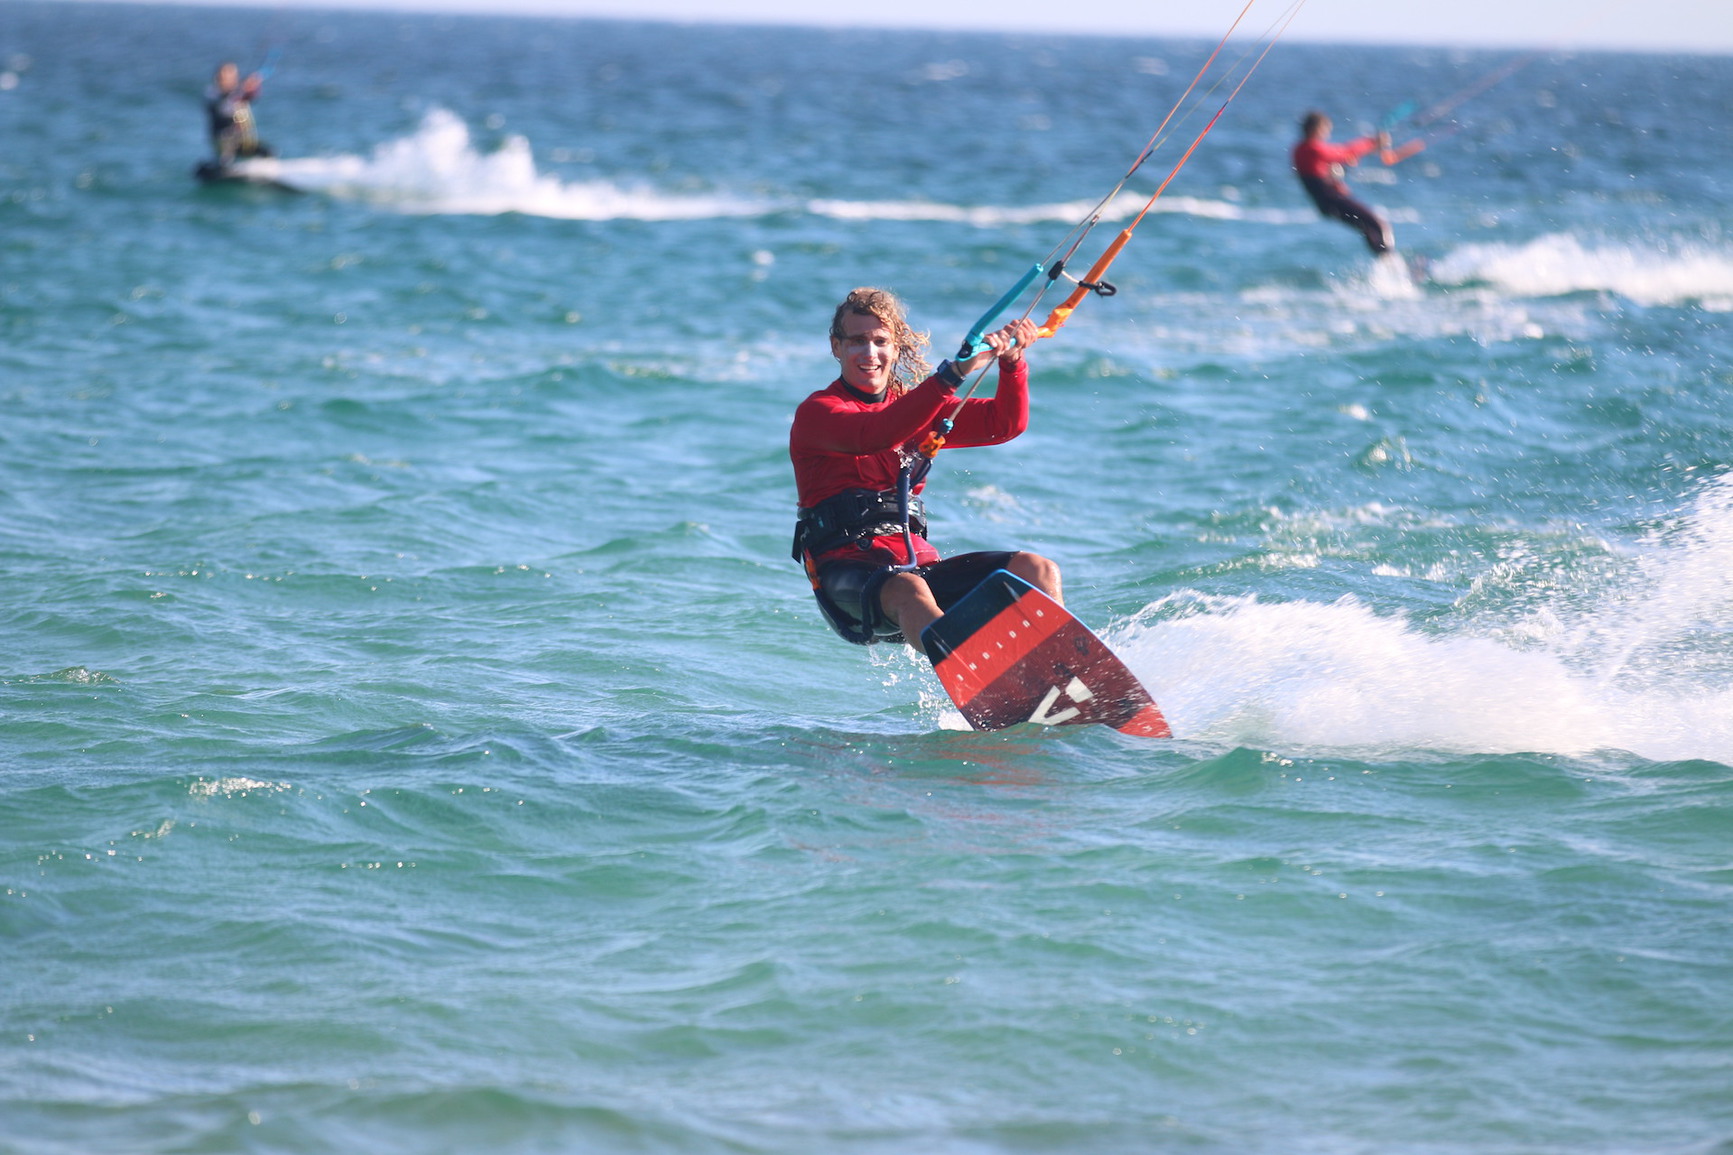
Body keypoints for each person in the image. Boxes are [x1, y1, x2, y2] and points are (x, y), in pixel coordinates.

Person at [789, 287, 1061, 657]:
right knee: (908, 590)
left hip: (915, 566)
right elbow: (874, 433)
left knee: (1037, 569)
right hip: (846, 574)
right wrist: (955, 373)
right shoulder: (818, 412)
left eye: (880, 341)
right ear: (836, 347)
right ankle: (971, 673)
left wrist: (1012, 363)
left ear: (896, 347)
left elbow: (1004, 423)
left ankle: (1058, 665)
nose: (870, 353)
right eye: (857, 341)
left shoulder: (919, 409)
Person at [1291, 110, 1418, 256]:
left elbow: (1323, 169)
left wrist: (1340, 168)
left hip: (1326, 204)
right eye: (1326, 130)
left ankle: (1385, 267)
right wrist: (1371, 142)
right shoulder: (1312, 148)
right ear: (1316, 129)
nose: (1328, 134)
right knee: (1379, 224)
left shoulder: (1298, 150)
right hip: (1334, 201)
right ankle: (1393, 265)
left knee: (1368, 230)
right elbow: (1344, 152)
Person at [205, 61, 269, 164]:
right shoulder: (211, 93)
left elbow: (251, 97)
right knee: (225, 160)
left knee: (267, 151)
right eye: (225, 75)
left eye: (232, 75)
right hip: (223, 140)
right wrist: (240, 89)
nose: (228, 78)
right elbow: (223, 110)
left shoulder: (239, 92)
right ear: (218, 77)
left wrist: (253, 86)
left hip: (243, 138)